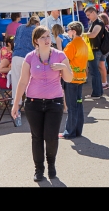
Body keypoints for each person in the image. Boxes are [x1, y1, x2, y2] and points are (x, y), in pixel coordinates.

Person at [11, 26, 73, 182]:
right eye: (43, 37)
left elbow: (69, 79)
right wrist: (16, 104)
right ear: (35, 41)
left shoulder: (60, 55)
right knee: (37, 137)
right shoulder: (29, 57)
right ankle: (39, 169)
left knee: (51, 137)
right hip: (33, 103)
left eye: (48, 36)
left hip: (55, 102)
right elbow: (23, 81)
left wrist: (64, 67)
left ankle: (51, 165)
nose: (47, 40)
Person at [59, 21, 88, 140]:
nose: (67, 32)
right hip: (81, 77)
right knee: (79, 103)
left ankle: (69, 131)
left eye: (69, 30)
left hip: (71, 78)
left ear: (74, 31)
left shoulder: (72, 45)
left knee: (71, 106)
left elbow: (63, 60)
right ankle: (77, 130)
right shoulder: (83, 43)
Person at [11, 15, 40, 107]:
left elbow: (15, 41)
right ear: (37, 23)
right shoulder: (35, 30)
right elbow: (37, 45)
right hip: (27, 57)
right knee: (30, 82)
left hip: (16, 56)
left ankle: (16, 106)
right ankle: (29, 104)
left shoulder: (20, 27)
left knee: (16, 83)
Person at [83, 6, 105, 99]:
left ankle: (96, 93)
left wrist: (81, 34)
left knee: (94, 72)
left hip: (96, 50)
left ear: (93, 12)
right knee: (96, 72)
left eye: (88, 15)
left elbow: (93, 35)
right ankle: (98, 92)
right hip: (95, 50)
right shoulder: (96, 22)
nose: (88, 17)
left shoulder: (98, 23)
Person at [98, 12, 109, 90]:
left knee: (101, 65)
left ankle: (104, 83)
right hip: (106, 48)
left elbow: (101, 37)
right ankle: (104, 82)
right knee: (102, 65)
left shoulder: (105, 27)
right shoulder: (108, 26)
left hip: (103, 48)